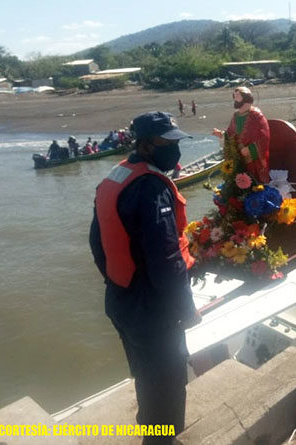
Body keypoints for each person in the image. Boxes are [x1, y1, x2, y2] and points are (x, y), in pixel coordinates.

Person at [89, 111, 201, 444]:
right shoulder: (151, 188)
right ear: (147, 144)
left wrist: (117, 282)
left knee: (145, 374)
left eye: (176, 141)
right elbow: (166, 260)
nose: (175, 149)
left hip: (121, 300)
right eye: (168, 142)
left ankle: (150, 428)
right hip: (151, 309)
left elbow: (97, 244)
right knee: (166, 385)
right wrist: (186, 308)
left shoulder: (117, 175)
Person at [212, 87, 271, 183]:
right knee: (238, 179)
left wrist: (251, 149)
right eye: (234, 96)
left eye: (238, 95)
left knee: (254, 180)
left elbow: (264, 136)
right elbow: (231, 133)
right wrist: (222, 135)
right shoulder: (236, 116)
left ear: (246, 97)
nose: (235, 98)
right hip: (238, 155)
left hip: (252, 157)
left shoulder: (256, 115)